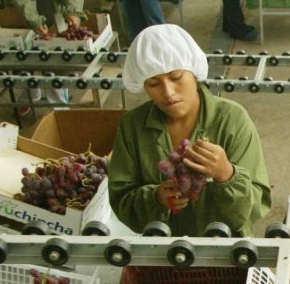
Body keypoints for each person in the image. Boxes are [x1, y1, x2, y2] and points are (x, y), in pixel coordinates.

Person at [108, 25, 271, 235]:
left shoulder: (232, 120)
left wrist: (227, 174)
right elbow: (121, 197)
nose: (168, 92)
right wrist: (155, 198)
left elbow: (256, 208)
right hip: (161, 254)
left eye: (176, 77)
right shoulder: (133, 126)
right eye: (153, 83)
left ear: (194, 73)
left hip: (224, 253)